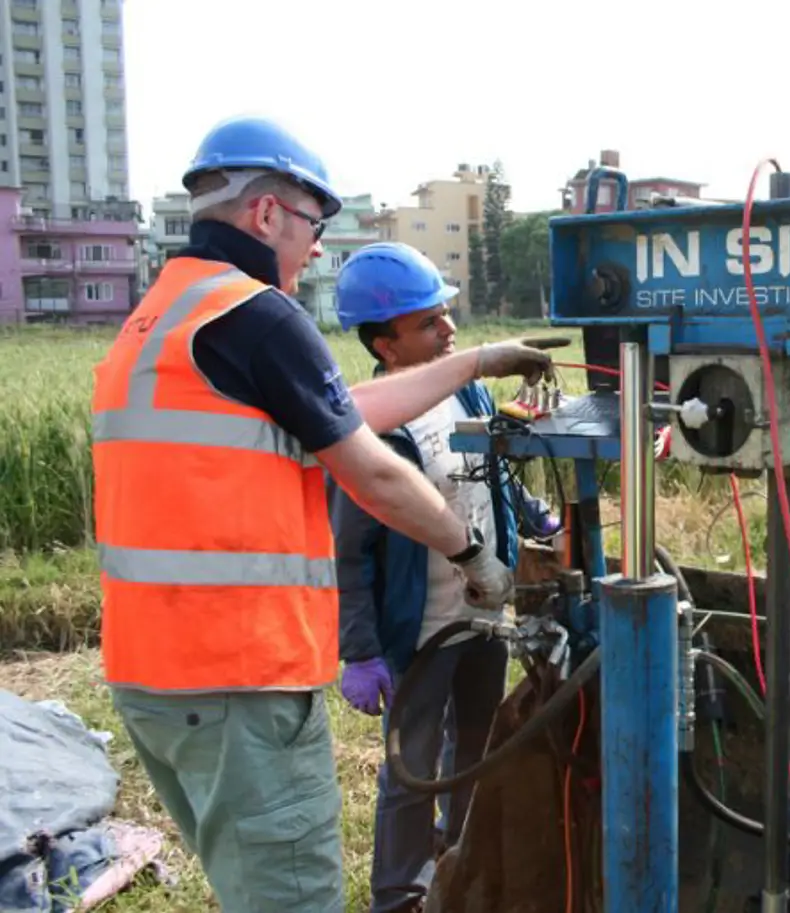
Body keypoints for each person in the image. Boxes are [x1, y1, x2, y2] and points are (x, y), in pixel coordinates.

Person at [89, 115, 559, 913]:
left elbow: (341, 409)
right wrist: (473, 555)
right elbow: (370, 468)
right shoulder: (256, 315)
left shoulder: (159, 316)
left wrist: (473, 362)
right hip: (241, 674)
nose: (314, 248)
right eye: (314, 225)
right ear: (267, 214)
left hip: (153, 676)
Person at [327, 242, 562, 913]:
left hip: (484, 611)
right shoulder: (370, 427)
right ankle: (399, 894)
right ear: (386, 343)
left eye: (445, 316)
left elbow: (498, 479)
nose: (449, 331)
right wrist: (362, 649)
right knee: (413, 767)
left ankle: (460, 866)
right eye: (430, 323)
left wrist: (542, 523)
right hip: (418, 628)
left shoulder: (469, 388)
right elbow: (349, 550)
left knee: (478, 748)